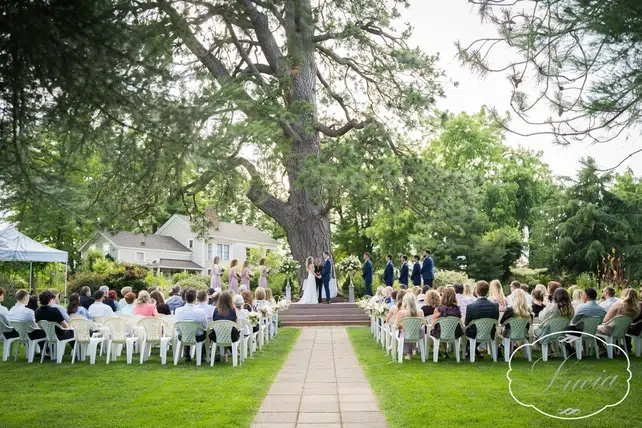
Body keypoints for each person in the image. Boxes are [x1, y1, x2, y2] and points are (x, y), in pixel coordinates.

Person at [464, 281, 499, 359]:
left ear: (476, 291)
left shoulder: (470, 306)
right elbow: (496, 320)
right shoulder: (495, 305)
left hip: (474, 333)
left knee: (468, 330)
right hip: (490, 332)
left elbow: (466, 323)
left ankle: (469, 351)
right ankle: (473, 352)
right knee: (474, 330)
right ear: (487, 291)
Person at [174, 289, 208, 363]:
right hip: (197, 337)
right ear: (195, 298)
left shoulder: (178, 310)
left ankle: (187, 355)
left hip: (182, 336)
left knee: (187, 331)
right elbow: (205, 326)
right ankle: (202, 356)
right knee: (205, 332)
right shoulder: (201, 311)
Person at [431, 287, 463, 357]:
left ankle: (442, 350)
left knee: (438, 329)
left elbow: (433, 324)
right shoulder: (457, 309)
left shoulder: (438, 309)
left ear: (443, 296)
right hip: (454, 333)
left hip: (441, 333)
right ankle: (445, 351)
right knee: (442, 328)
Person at [396, 293, 424, 360]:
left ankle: (408, 353)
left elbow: (397, 325)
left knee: (403, 331)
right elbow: (422, 323)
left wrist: (404, 326)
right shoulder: (420, 311)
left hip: (406, 334)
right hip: (418, 334)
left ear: (404, 301)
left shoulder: (401, 312)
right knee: (410, 330)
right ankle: (410, 353)